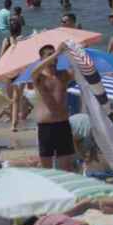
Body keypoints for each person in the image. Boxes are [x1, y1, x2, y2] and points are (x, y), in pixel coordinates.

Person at [30, 44, 76, 172]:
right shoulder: (39, 77)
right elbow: (33, 72)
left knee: (66, 168)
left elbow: (77, 70)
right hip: (46, 127)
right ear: (42, 59)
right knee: (47, 170)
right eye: (49, 55)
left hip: (63, 125)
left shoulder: (63, 75)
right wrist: (56, 54)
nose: (54, 59)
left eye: (54, 55)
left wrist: (70, 52)